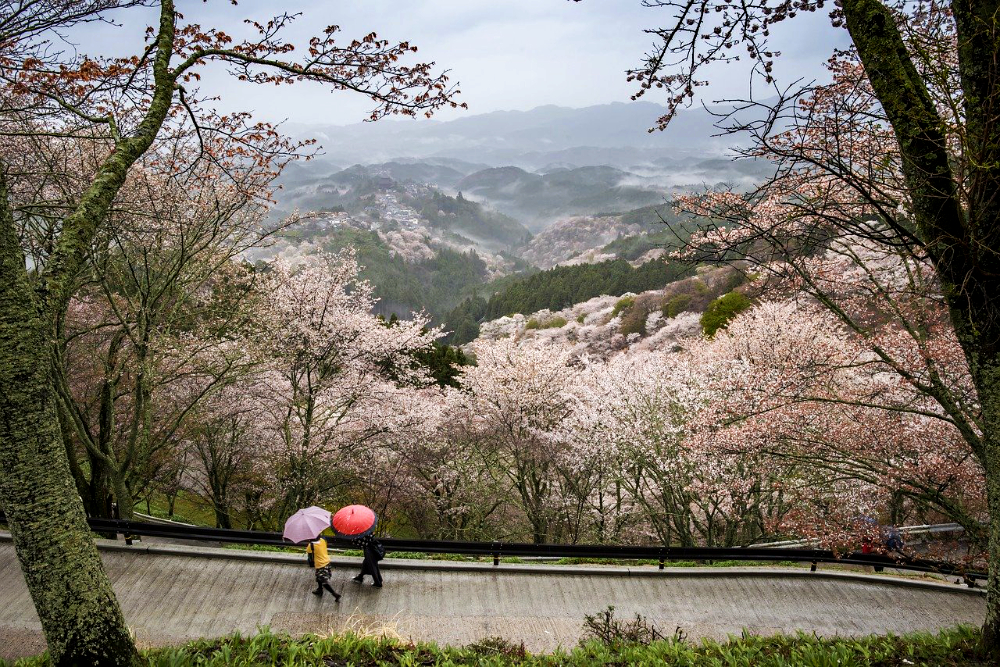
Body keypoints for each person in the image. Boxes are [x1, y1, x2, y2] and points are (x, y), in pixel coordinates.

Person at [306, 536, 341, 601]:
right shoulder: (323, 540)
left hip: (320, 564)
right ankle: (319, 589)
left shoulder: (310, 546)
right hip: (327, 562)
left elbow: (310, 556)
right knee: (318, 576)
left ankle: (335, 594)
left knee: (323, 581)